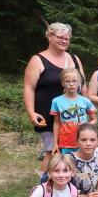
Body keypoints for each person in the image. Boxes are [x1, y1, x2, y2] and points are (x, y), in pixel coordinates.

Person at [23, 22, 86, 174]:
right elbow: (29, 88)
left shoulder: (74, 59)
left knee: (75, 150)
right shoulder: (37, 60)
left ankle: (69, 185)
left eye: (67, 39)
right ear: (49, 36)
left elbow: (83, 85)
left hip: (74, 116)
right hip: (48, 116)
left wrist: (87, 108)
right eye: (60, 37)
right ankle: (45, 186)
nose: (64, 41)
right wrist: (31, 112)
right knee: (52, 151)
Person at [50, 67, 97, 156]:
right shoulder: (56, 101)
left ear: (79, 82)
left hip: (84, 142)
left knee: (83, 167)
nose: (71, 84)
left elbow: (94, 119)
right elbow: (56, 123)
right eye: (68, 81)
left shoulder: (85, 101)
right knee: (68, 166)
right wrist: (55, 143)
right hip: (66, 143)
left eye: (74, 81)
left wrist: (86, 126)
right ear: (63, 83)